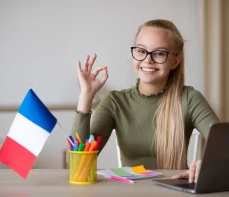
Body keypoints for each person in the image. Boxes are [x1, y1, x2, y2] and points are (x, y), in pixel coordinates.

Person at [70, 19, 220, 183]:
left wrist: (207, 164)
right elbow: (76, 165)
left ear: (175, 61)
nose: (148, 60)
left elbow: (226, 147)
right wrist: (86, 95)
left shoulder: (189, 98)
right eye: (141, 51)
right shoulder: (114, 102)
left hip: (176, 191)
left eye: (159, 53)